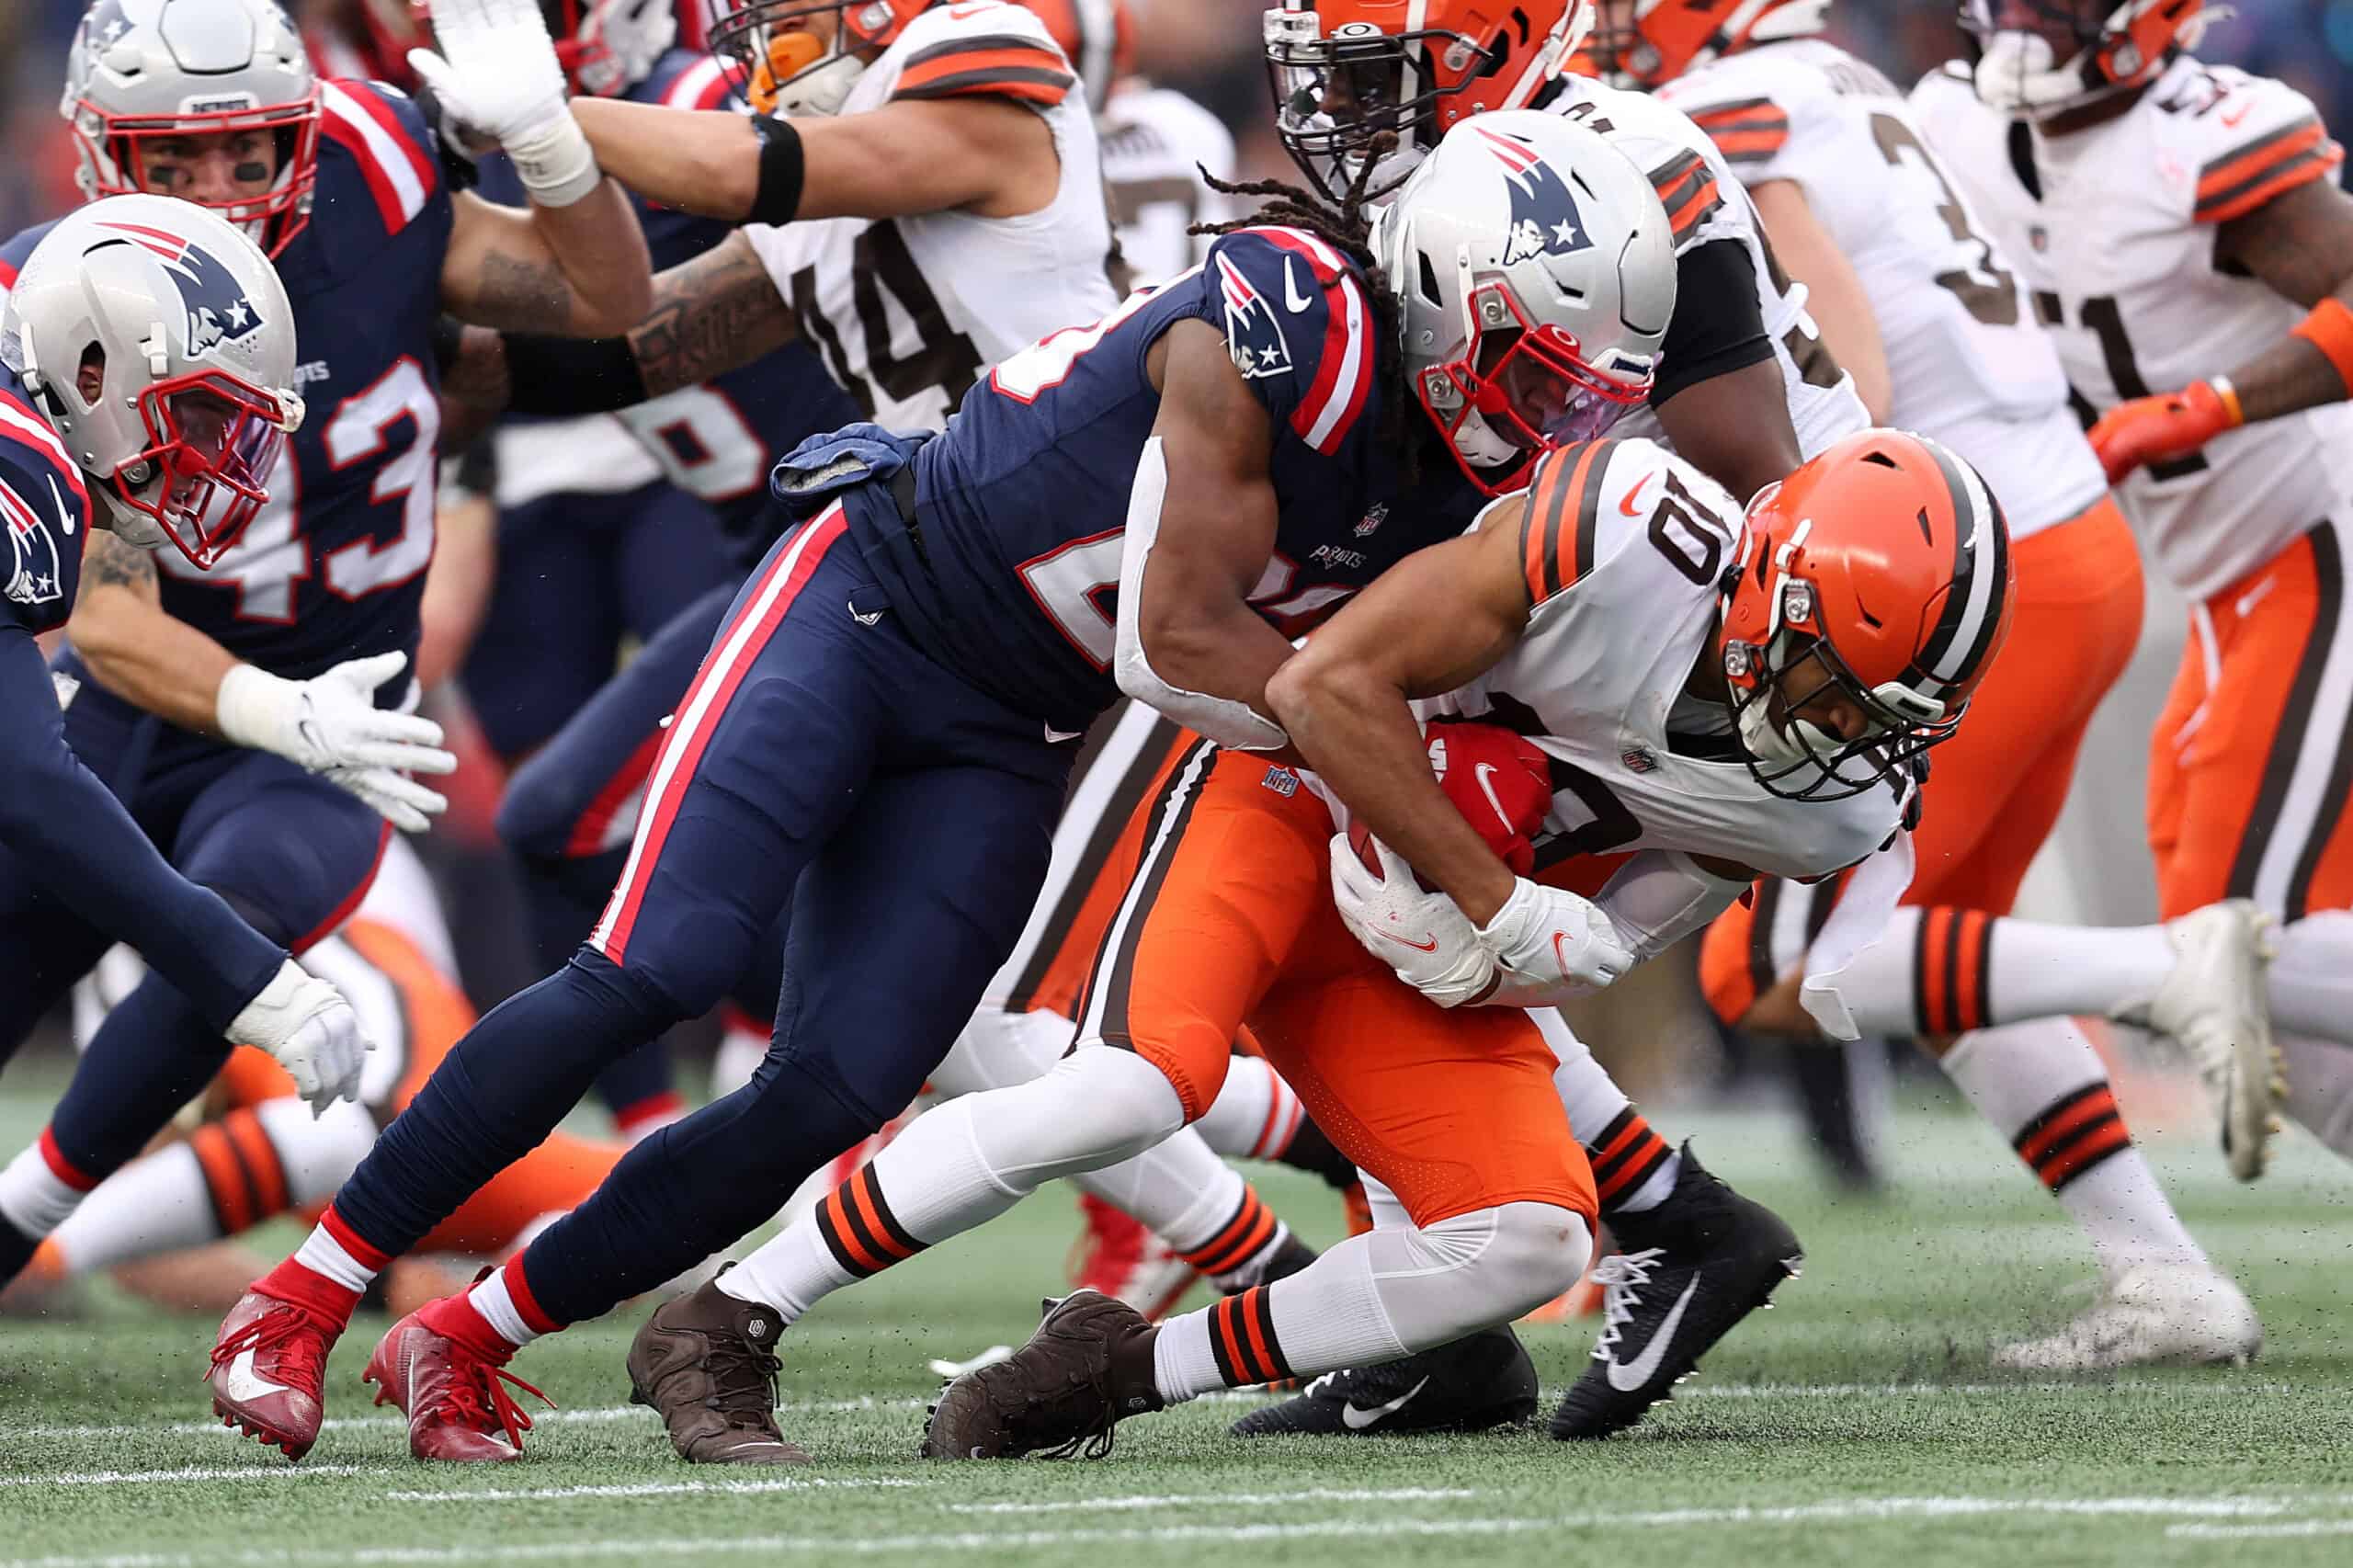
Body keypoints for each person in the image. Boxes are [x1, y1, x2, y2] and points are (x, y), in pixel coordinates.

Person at [211, 0, 1508, 1469]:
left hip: (1036, 691)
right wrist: (348, 312)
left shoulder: (977, 75)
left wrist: (546, 134)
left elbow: (772, 165)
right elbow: (624, 344)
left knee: (845, 1080)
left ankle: (465, 1332)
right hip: (883, 580)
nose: (761, 26)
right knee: (662, 959)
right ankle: (297, 1301)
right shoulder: (827, 174)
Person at [914, 412, 2014, 1460]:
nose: (1849, 735)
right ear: (1772, 596)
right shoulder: (1624, 534)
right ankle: (756, 1292)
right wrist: (1475, 888)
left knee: (1520, 1220)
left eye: (1889, 718)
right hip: (1327, 760)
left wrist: (1492, 938)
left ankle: (1573, 1268)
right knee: (1089, 1054)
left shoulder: (1836, 802)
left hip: (1494, 846)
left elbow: (1606, 936)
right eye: (1838, 695)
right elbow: (1329, 683)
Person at [1556, 0, 2268, 1370]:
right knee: (1940, 965)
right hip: (2049, 546)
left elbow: (1855, 386)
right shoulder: (1828, 75)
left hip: (1952, 582)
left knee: (1777, 970)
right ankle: (2166, 1276)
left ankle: (2170, 978)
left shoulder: (1743, 105)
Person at [0, 0, 654, 1294]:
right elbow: (106, 620)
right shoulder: (51, 298)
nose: (218, 193)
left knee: (244, 930)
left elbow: (610, 296)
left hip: (337, 699)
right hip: (147, 693)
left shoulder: (381, 175)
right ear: (95, 155)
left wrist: (550, 143)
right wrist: (270, 707)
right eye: (171, 162)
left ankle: (22, 1231)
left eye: (248, 154)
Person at [1864, 0, 2353, 1363]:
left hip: (2319, 547)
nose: (2024, 15)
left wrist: (2204, 407)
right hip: (2220, 582)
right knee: (2276, 1034)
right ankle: (2164, 1280)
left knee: (2248, 952)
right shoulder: (1955, 123)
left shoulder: (2214, 134)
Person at [454, 0, 860, 1137]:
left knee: (567, 818)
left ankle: (759, 1107)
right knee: (576, 826)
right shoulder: (532, 156)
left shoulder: (693, 106)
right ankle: (669, 1140)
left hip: (838, 540)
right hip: (767, 548)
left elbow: (624, 324)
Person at [0, 195, 369, 1256]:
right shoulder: (24, 465)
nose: (222, 450)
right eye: (202, 411)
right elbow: (27, 780)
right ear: (90, 371)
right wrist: (245, 974)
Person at [15, 835, 627, 1317]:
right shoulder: (131, 921)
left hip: (421, 1126)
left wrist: (36, 1251)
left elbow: (345, 1136)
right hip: (391, 1159)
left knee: (671, 1212)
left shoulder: (296, 849)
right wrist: (369, 1289)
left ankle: (508, 1283)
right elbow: (136, 1242)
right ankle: (504, 1286)